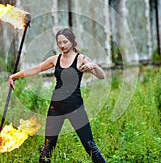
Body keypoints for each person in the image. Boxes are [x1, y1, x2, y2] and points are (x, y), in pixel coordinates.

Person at [9, 28, 106, 163]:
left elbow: (102, 76)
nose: (62, 46)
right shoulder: (55, 59)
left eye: (65, 42)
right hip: (56, 108)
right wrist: (15, 76)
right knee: (48, 146)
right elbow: (36, 69)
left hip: (75, 108)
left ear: (72, 42)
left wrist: (92, 65)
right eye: (59, 43)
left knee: (90, 145)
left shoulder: (81, 59)